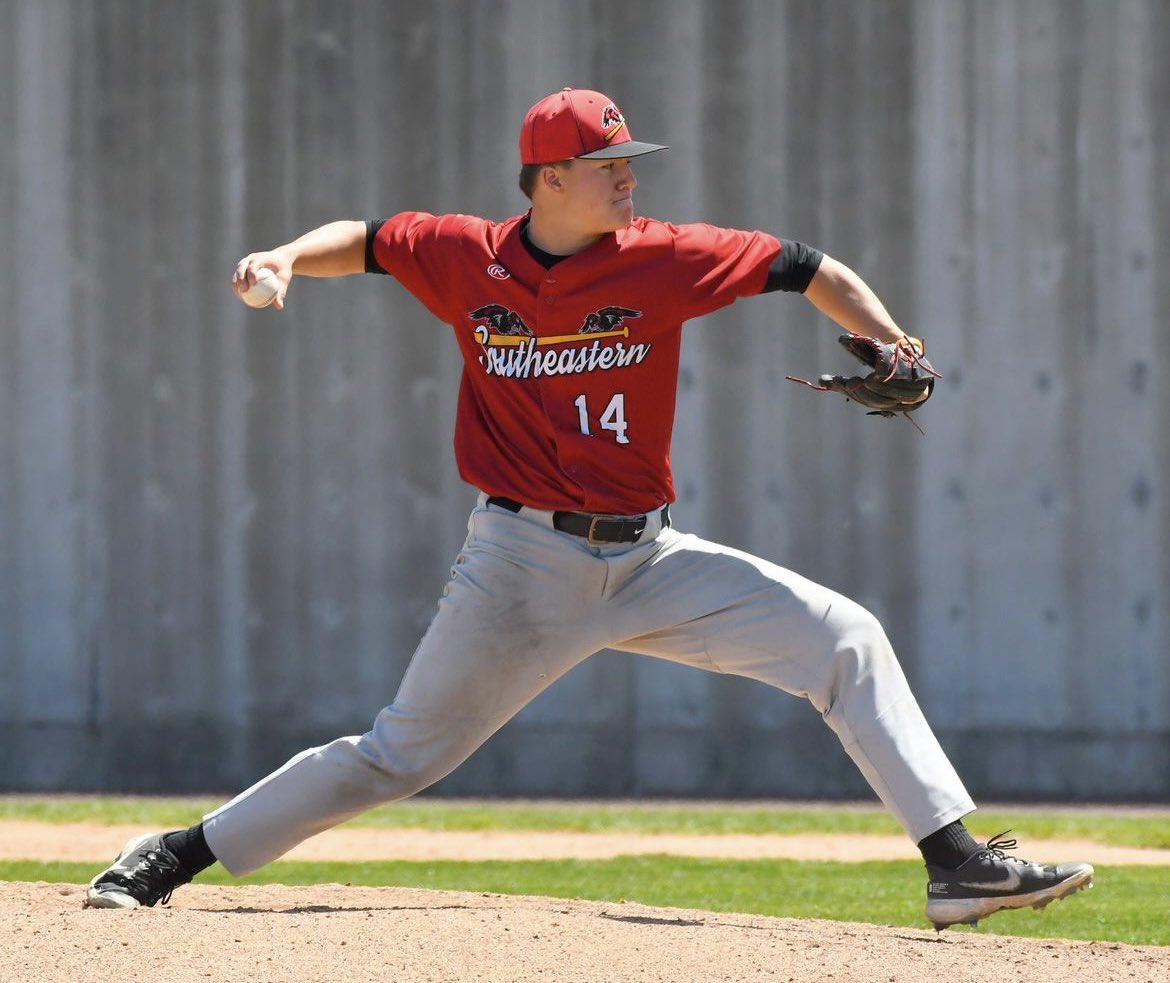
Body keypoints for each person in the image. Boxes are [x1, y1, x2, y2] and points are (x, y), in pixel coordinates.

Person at [84, 87, 1092, 930]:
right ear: (548, 177)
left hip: (653, 561)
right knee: (394, 756)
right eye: (606, 161)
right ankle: (174, 852)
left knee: (845, 637)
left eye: (627, 158)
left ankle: (955, 861)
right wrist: (285, 258)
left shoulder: (663, 254)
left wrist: (895, 342)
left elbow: (804, 266)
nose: (628, 173)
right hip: (520, 567)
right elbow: (373, 240)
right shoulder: (467, 255)